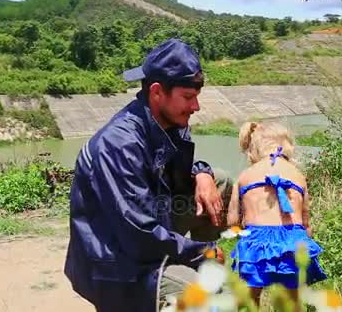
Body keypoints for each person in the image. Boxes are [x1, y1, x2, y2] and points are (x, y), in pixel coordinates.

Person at [64, 38, 231, 312]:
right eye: (188, 97)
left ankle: (197, 266)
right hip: (116, 261)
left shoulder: (168, 122)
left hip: (150, 226)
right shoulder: (120, 144)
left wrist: (202, 173)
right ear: (157, 92)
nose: (196, 107)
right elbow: (138, 232)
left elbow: (177, 178)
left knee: (220, 180)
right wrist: (199, 251)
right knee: (208, 298)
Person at [227, 121, 327, 309]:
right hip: (293, 241)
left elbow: (232, 220)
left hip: (256, 241)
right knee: (292, 301)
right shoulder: (298, 175)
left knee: (247, 299)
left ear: (252, 148)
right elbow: (306, 221)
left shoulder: (245, 176)